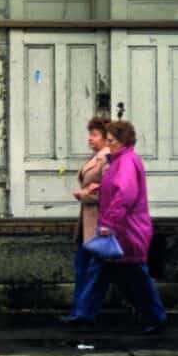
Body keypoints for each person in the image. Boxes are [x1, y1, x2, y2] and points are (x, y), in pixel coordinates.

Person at [77, 120, 168, 335]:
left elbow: (124, 196)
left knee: (136, 276)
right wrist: (101, 186)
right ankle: (82, 315)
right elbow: (118, 188)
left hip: (127, 231)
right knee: (101, 270)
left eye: (111, 141)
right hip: (123, 229)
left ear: (123, 141)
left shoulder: (125, 162)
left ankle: (156, 318)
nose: (108, 144)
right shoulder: (120, 160)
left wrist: (108, 224)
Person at [59, 117, 110, 325]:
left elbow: (110, 192)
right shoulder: (96, 156)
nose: (90, 138)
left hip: (98, 224)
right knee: (83, 268)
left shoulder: (106, 158)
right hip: (87, 224)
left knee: (91, 271)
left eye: (94, 134)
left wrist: (84, 195)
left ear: (107, 138)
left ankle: (83, 314)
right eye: (90, 134)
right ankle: (78, 311)